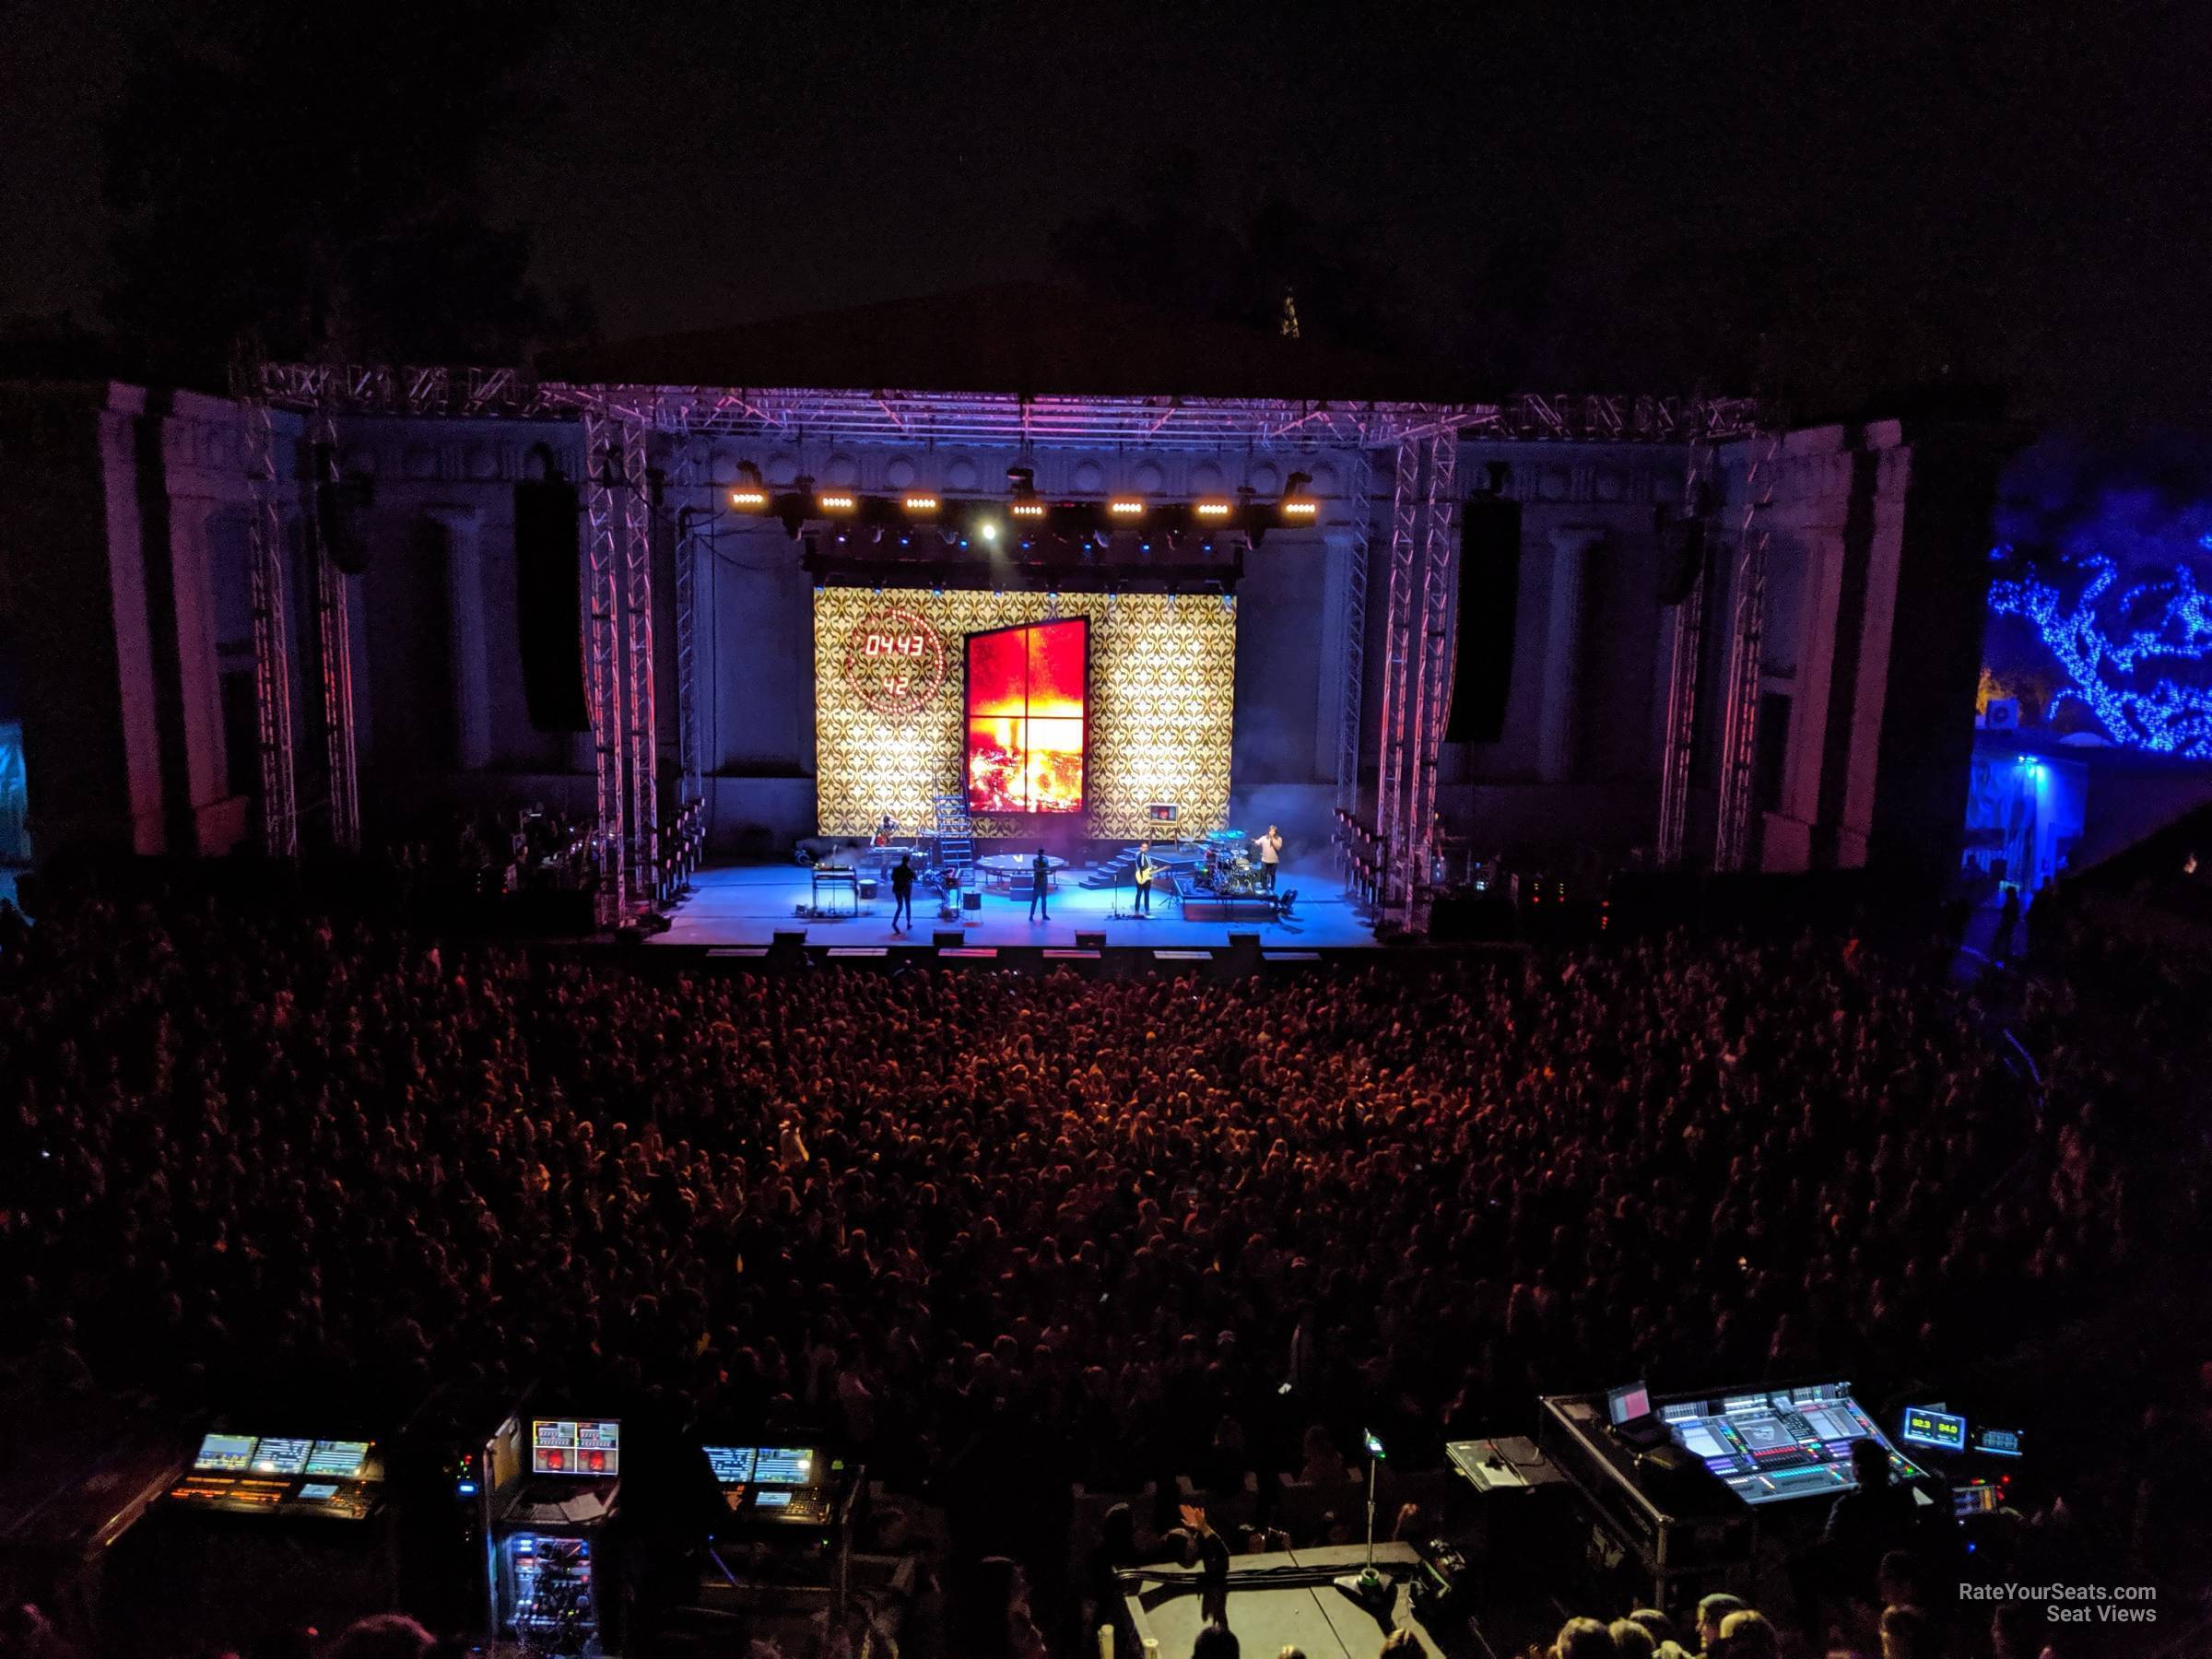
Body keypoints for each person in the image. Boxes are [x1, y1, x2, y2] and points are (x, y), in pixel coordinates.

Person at [889, 854, 915, 933]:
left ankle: (894, 923)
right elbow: (915, 878)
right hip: (906, 889)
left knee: (900, 907)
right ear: (908, 861)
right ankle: (908, 923)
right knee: (908, 906)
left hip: (897, 889)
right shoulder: (909, 870)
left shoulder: (896, 869)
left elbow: (892, 878)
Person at [1255, 825, 1283, 890]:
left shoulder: (1279, 838)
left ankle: (1272, 888)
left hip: (1274, 861)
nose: (1271, 833)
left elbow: (1278, 847)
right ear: (1268, 831)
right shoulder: (1264, 837)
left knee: (1272, 875)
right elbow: (1257, 842)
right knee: (1263, 874)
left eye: (1273, 831)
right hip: (1264, 860)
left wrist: (1272, 839)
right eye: (1270, 831)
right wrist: (1256, 842)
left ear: (1275, 832)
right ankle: (1264, 887)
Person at [1030, 848, 1053, 922]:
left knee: (1044, 900)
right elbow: (1038, 869)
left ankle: (1044, 914)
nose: (1040, 854)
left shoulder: (1045, 860)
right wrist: (1044, 869)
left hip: (1044, 882)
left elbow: (1047, 868)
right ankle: (1031, 915)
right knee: (1034, 900)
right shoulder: (1035, 860)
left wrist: (1043, 869)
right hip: (1038, 882)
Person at [1135, 841, 1156, 916]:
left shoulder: (1148, 856)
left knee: (1147, 894)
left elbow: (1149, 866)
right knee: (1139, 894)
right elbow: (1140, 866)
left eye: (1146, 847)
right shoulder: (1139, 855)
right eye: (1143, 847)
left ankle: (1147, 910)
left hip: (1147, 878)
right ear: (1141, 848)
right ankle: (1136, 910)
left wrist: (1152, 870)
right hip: (1141, 877)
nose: (1145, 849)